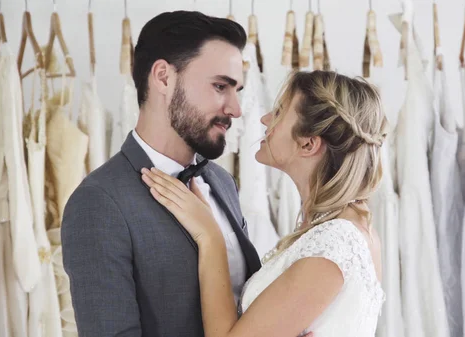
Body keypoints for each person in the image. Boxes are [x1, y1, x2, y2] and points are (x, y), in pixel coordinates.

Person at [61, 11, 263, 337]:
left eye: (236, 89)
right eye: (220, 86)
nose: (236, 109)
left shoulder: (223, 183)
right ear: (163, 78)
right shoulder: (98, 202)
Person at [141, 70, 387, 336]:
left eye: (279, 113)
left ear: (308, 144)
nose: (265, 119)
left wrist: (210, 236)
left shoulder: (334, 247)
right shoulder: (347, 227)